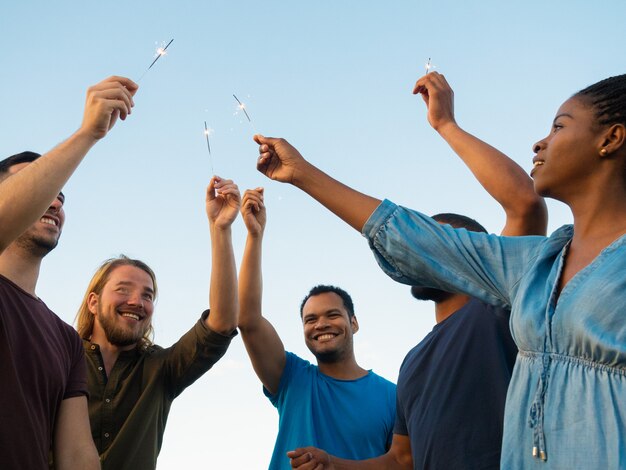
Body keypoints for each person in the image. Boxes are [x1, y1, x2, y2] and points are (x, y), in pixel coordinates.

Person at [254, 72, 626, 469]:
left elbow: (521, 204)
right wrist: (302, 173)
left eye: (559, 127)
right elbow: (402, 232)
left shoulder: (494, 306)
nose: (540, 142)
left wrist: (446, 125)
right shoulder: (537, 265)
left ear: (610, 138)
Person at [0, 76, 137, 469]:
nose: (54, 200)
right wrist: (87, 134)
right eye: (41, 187)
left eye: (61, 196)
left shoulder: (65, 340)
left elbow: (77, 456)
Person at [73, 176, 240, 470]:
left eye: (147, 295)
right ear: (94, 302)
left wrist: (220, 229)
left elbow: (222, 323)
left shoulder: (161, 369)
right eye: (123, 289)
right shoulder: (62, 358)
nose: (137, 301)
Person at [238, 187, 396, 470]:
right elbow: (248, 321)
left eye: (332, 315)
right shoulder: (291, 377)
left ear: (354, 323)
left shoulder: (392, 396)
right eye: (310, 320)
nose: (321, 324)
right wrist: (254, 235)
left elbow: (401, 463)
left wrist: (335, 465)